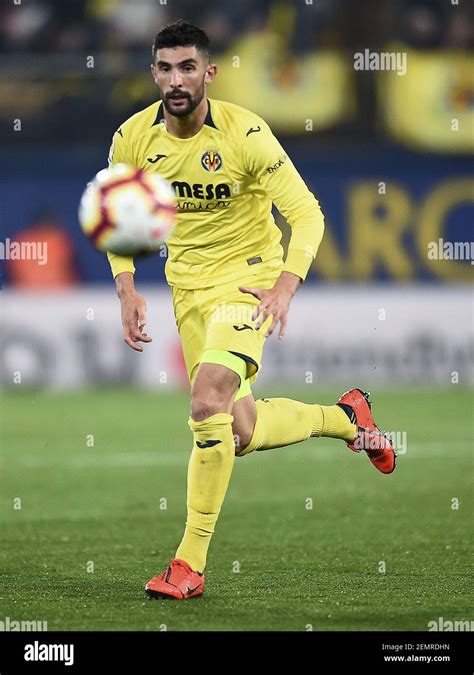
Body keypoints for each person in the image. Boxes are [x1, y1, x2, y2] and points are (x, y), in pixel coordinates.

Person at [106, 20, 396, 601]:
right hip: (186, 287)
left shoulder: (248, 135)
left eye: (188, 67)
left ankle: (188, 563)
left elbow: (308, 214)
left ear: (209, 72)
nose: (176, 79)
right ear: (154, 74)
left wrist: (284, 287)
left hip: (248, 281)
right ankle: (346, 417)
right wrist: (126, 286)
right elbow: (122, 217)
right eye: (165, 67)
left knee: (207, 400)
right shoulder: (133, 138)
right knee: (238, 431)